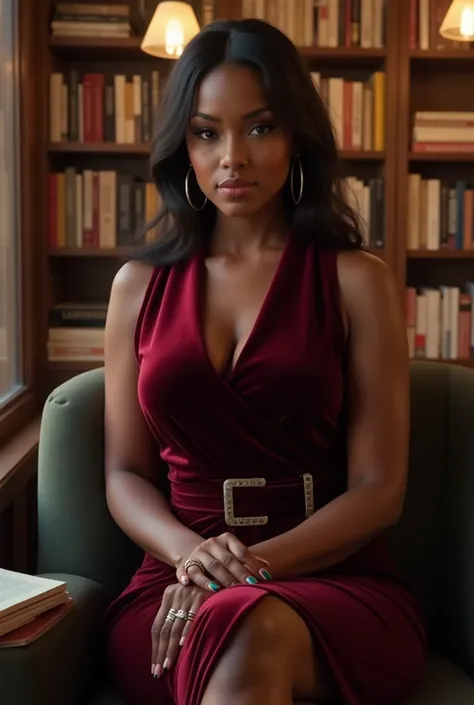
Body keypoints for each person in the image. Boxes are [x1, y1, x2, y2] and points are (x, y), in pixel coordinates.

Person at [103, 17, 427, 705]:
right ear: (182, 146)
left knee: (249, 627)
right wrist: (192, 556)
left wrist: (247, 568)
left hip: (334, 582)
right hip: (174, 583)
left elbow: (379, 489)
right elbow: (124, 473)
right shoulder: (136, 287)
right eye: (206, 132)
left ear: (297, 136)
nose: (232, 158)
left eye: (259, 128)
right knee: (235, 627)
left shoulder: (357, 280)